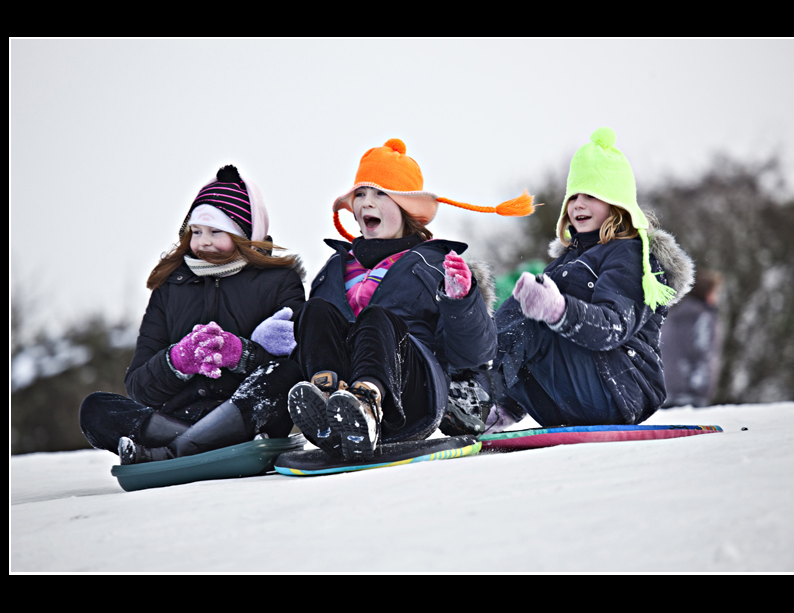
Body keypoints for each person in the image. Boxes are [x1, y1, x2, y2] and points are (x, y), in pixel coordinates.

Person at [288, 138, 536, 460]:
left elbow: (473, 353)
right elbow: (316, 339)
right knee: (316, 311)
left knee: (378, 318)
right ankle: (326, 402)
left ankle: (365, 406)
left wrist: (461, 301)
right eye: (360, 194)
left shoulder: (434, 264)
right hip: (341, 391)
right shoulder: (334, 269)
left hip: (410, 397)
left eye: (380, 194)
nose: (366, 203)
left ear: (405, 207)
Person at [79, 165, 306, 464]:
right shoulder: (171, 286)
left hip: (247, 415)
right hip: (178, 419)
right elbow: (138, 386)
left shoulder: (279, 281)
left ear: (245, 235)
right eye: (196, 232)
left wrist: (242, 354)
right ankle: (203, 445)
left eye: (216, 232)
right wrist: (176, 361)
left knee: (285, 375)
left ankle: (172, 453)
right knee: (95, 408)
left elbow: (300, 365)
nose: (204, 241)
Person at [482, 127, 695, 430]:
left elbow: (613, 326)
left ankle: (475, 394)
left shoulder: (631, 256)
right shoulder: (567, 261)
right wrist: (509, 405)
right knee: (518, 309)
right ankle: (482, 402)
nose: (578, 205)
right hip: (573, 396)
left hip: (619, 390)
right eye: (574, 196)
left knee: (533, 325)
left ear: (616, 204)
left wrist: (558, 310)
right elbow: (522, 342)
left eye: (591, 196)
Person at [661, 270, 723, 408]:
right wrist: (700, 387)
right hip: (690, 390)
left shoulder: (676, 314)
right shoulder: (702, 317)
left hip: (668, 387)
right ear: (707, 294)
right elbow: (702, 351)